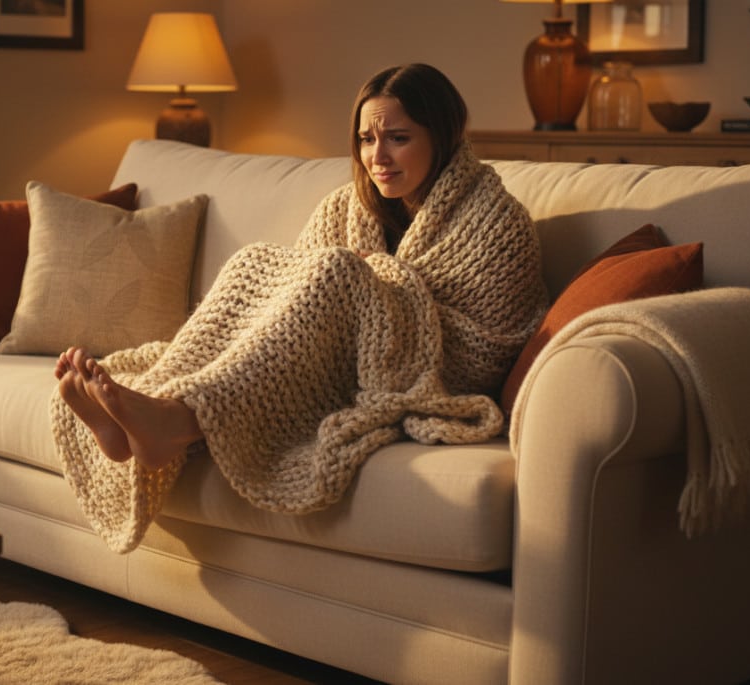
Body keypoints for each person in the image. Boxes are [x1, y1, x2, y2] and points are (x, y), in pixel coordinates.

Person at [52, 63, 549, 553]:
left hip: (430, 368)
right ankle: (150, 404)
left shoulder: (496, 219)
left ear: (441, 136)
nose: (378, 156)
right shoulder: (344, 206)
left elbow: (486, 349)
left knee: (336, 269)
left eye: (398, 137)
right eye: (366, 140)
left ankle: (174, 421)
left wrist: (372, 284)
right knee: (256, 263)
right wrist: (361, 282)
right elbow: (289, 305)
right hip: (330, 359)